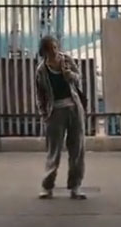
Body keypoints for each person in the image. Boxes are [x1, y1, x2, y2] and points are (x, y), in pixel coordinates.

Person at [34, 35, 87, 199]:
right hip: (55, 111)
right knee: (54, 150)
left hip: (74, 107)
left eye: (56, 47)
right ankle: (47, 186)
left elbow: (78, 78)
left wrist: (68, 74)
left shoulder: (67, 61)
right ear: (44, 52)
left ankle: (75, 186)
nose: (55, 52)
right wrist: (44, 114)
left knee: (77, 148)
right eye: (51, 49)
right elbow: (40, 94)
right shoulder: (42, 70)